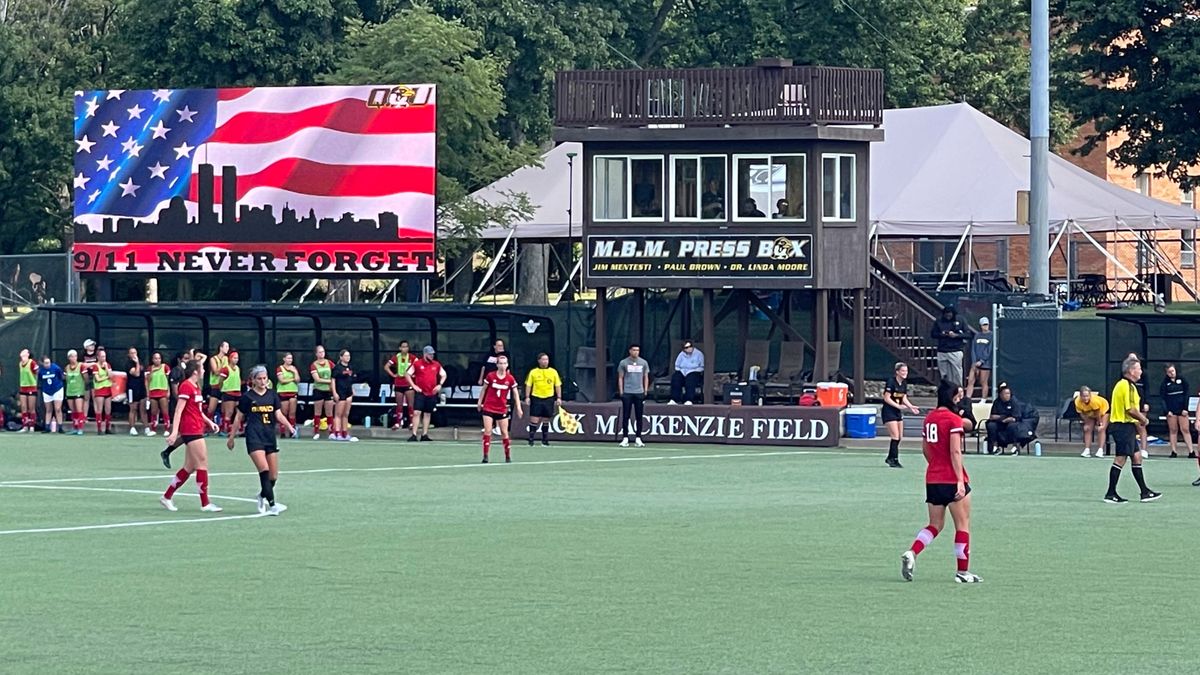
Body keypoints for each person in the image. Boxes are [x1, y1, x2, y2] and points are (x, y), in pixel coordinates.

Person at [900, 378, 983, 584]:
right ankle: (963, 572)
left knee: (934, 524)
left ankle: (912, 552)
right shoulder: (953, 420)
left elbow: (925, 448)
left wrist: (935, 464)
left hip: (933, 478)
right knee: (962, 525)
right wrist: (959, 481)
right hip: (951, 478)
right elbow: (955, 451)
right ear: (954, 397)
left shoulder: (929, 419)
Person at [225, 365, 294, 515]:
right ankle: (272, 505)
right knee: (264, 470)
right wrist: (231, 437)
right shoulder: (247, 397)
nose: (263, 381)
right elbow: (238, 418)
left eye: (265, 378)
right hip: (254, 437)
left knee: (273, 476)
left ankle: (262, 495)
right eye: (259, 379)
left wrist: (289, 425)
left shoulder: (272, 395)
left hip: (269, 436)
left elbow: (278, 414)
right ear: (253, 380)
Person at [160, 360, 223, 512]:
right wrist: (175, 432)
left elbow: (197, 410)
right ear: (195, 371)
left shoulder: (196, 387)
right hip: (191, 430)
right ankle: (205, 503)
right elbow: (179, 410)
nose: (203, 371)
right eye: (201, 368)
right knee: (202, 464)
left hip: (197, 427)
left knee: (189, 467)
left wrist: (209, 422)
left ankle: (166, 497)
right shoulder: (186, 386)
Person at [1105, 355, 1161, 503]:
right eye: (1138, 369)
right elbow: (1130, 409)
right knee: (1120, 459)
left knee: (1137, 457)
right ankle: (1111, 493)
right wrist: (1144, 419)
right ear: (1131, 371)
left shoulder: (1122, 385)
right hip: (1122, 426)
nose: (1141, 372)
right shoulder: (1127, 386)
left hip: (1125, 426)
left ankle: (1144, 491)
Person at [478, 354, 522, 463]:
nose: (502, 365)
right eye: (500, 363)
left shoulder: (510, 378)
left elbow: (515, 393)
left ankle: (507, 456)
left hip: (501, 408)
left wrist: (519, 407)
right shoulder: (491, 376)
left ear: (507, 365)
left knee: (504, 432)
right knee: (488, 430)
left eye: (504, 363)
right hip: (489, 407)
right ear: (497, 364)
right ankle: (485, 455)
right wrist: (480, 402)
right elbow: (484, 389)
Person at [882, 362, 920, 468]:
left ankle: (890, 457)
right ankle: (894, 459)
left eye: (906, 371)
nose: (905, 373)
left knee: (900, 437)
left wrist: (911, 407)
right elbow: (887, 398)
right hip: (889, 411)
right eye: (903, 371)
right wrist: (897, 406)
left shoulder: (904, 383)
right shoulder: (891, 382)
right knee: (895, 436)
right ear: (897, 372)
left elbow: (903, 397)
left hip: (897, 412)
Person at [406, 345, 445, 442]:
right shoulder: (417, 364)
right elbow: (407, 374)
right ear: (425, 354)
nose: (432, 356)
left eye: (432, 354)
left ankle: (424, 434)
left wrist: (439, 384)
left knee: (427, 413)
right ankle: (414, 434)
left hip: (431, 392)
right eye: (430, 354)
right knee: (417, 412)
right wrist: (414, 385)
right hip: (421, 392)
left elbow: (444, 375)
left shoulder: (436, 364)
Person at [524, 352, 563, 446]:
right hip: (536, 397)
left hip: (549, 397)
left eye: (547, 359)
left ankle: (545, 440)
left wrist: (559, 397)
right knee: (534, 419)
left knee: (546, 419)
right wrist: (527, 397)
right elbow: (529, 385)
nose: (545, 361)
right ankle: (531, 439)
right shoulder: (533, 372)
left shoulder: (553, 372)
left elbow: (557, 385)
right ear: (539, 361)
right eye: (543, 359)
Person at [617, 344, 650, 448]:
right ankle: (625, 438)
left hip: (639, 392)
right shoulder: (623, 363)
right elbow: (620, 377)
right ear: (630, 351)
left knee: (639, 416)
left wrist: (645, 390)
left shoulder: (643, 362)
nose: (636, 352)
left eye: (638, 350)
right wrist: (621, 391)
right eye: (634, 350)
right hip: (627, 392)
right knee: (626, 416)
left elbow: (646, 377)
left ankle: (638, 438)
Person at [1160, 364, 1193, 459]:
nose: (1171, 373)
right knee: (1173, 430)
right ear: (1166, 373)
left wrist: (1185, 409)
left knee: (1185, 429)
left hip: (1182, 410)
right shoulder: (1165, 383)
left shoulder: (1182, 380)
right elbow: (1163, 398)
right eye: (1169, 372)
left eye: (1173, 371)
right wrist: (1167, 411)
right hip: (1171, 410)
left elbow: (1187, 394)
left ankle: (1191, 451)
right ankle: (1174, 451)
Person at [931, 306, 968, 386]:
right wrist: (942, 334)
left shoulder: (960, 320)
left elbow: (968, 334)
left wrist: (956, 335)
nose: (948, 316)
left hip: (955, 350)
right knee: (944, 374)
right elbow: (933, 334)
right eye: (946, 314)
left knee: (957, 374)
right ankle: (946, 392)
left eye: (950, 314)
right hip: (942, 351)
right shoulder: (939, 321)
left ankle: (958, 390)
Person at [384, 341, 415, 431]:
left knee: (410, 405)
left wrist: (414, 375)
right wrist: (393, 375)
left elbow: (418, 366)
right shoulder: (396, 357)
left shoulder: (412, 357)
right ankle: (398, 422)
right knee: (399, 405)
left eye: (406, 347)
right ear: (400, 348)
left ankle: (412, 422)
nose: (405, 348)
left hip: (409, 383)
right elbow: (386, 366)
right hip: (398, 383)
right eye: (403, 347)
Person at [331, 349, 358, 442]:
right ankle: (337, 432)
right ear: (341, 357)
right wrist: (334, 392)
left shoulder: (350, 367)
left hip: (348, 392)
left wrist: (352, 389)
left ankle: (345, 432)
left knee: (346, 414)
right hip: (340, 392)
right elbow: (333, 380)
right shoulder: (337, 368)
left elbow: (350, 380)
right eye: (346, 356)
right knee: (339, 414)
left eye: (349, 356)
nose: (348, 358)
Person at [1075, 386, 1110, 458]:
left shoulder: (1094, 401)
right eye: (1083, 396)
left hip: (1103, 411)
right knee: (1087, 429)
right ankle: (1087, 450)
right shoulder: (1077, 402)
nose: (1085, 398)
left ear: (1090, 395)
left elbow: (1097, 413)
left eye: (1087, 396)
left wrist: (1099, 423)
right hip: (1089, 412)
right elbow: (1082, 414)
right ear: (1080, 396)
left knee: (1101, 429)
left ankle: (1100, 450)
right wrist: (1086, 423)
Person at [309, 345, 334, 440]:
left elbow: (335, 374)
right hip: (318, 390)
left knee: (329, 412)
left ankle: (331, 432)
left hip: (328, 391)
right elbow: (317, 379)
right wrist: (329, 381)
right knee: (317, 412)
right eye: (319, 352)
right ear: (316, 354)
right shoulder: (314, 365)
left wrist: (332, 383)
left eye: (323, 352)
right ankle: (316, 432)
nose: (321, 354)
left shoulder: (329, 363)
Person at [986, 384, 1019, 455]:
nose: (1007, 395)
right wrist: (1002, 418)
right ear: (1000, 395)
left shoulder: (1014, 402)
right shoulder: (996, 402)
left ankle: (1015, 448)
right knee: (991, 425)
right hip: (999, 423)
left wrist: (1006, 419)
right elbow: (992, 416)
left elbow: (1015, 417)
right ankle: (994, 447)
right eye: (1005, 394)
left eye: (1008, 393)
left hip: (1010, 423)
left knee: (1013, 426)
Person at [965, 317, 993, 400]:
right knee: (970, 381)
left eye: (986, 324)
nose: (985, 326)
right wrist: (974, 362)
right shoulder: (977, 335)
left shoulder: (991, 335)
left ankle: (983, 399)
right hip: (975, 363)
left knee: (983, 382)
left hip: (985, 364)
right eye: (983, 325)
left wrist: (982, 361)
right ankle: (967, 398)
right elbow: (973, 349)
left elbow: (989, 350)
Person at [145, 352, 171, 437]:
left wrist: (168, 391)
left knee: (164, 411)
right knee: (154, 411)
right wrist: (152, 371)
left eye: (159, 358)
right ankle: (153, 429)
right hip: (153, 391)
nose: (157, 360)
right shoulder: (150, 368)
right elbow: (148, 380)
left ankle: (167, 429)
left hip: (163, 391)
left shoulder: (165, 367)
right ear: (152, 359)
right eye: (155, 358)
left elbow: (167, 380)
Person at [217, 351, 243, 437]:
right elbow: (220, 380)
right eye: (234, 358)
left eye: (237, 358)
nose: (236, 360)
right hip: (228, 392)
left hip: (237, 392)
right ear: (230, 359)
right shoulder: (225, 369)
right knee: (229, 412)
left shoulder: (238, 368)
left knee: (239, 412)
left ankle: (238, 429)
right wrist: (221, 388)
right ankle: (225, 429)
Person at [275, 353, 301, 439]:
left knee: (292, 413)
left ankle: (292, 431)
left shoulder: (294, 368)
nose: (290, 360)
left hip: (293, 392)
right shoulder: (280, 368)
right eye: (288, 358)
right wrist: (292, 379)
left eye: (291, 358)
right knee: (284, 412)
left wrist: (294, 372)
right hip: (283, 392)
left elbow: (297, 380)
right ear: (284, 359)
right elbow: (282, 380)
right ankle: (282, 432)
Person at [37, 355, 65, 433]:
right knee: (48, 409)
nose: (48, 364)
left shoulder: (56, 368)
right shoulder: (41, 371)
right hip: (47, 390)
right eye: (46, 363)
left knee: (58, 408)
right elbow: (40, 379)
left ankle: (60, 427)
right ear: (42, 363)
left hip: (57, 389)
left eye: (48, 362)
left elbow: (61, 377)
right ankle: (47, 427)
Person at [91, 348, 115, 434]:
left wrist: (106, 369)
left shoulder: (107, 365)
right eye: (101, 356)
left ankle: (107, 428)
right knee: (99, 409)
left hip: (107, 389)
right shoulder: (95, 366)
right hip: (99, 390)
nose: (103, 358)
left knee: (108, 409)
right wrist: (106, 377)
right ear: (98, 357)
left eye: (104, 356)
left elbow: (111, 376)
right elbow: (97, 379)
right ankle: (99, 428)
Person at [124, 347, 146, 436]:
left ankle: (146, 428)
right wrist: (136, 363)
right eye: (132, 353)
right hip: (132, 389)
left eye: (135, 352)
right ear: (129, 355)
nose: (134, 355)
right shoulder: (128, 364)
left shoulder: (141, 362)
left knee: (143, 409)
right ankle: (132, 428)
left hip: (141, 388)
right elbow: (136, 374)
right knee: (133, 408)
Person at [64, 350, 87, 435]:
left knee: (79, 409)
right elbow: (66, 379)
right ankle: (75, 427)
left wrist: (84, 388)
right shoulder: (67, 367)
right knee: (73, 410)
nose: (74, 358)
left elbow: (86, 378)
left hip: (79, 391)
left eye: (75, 356)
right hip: (70, 391)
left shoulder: (81, 366)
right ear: (69, 358)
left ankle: (80, 428)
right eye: (72, 356)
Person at [206, 341, 231, 420]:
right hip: (215, 386)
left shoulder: (227, 359)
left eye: (228, 347)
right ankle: (207, 425)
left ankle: (223, 427)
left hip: (225, 386)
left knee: (225, 409)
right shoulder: (213, 359)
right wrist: (224, 368)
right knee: (211, 409)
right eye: (226, 346)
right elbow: (216, 371)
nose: (228, 348)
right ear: (221, 347)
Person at [16, 347, 38, 432]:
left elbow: (36, 372)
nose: (22, 352)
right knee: (24, 407)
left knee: (31, 408)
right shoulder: (20, 363)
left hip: (31, 387)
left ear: (28, 354)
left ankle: (32, 426)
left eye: (24, 352)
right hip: (23, 387)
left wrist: (34, 382)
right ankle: (25, 426)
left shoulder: (32, 362)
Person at [81, 338, 98, 424]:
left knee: (95, 397)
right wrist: (92, 364)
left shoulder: (97, 355)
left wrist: (89, 365)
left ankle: (98, 416)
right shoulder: (82, 355)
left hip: (95, 377)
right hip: (86, 378)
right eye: (91, 345)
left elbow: (99, 365)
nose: (93, 346)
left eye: (93, 345)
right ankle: (84, 417)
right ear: (86, 347)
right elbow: (82, 365)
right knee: (86, 398)